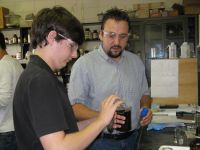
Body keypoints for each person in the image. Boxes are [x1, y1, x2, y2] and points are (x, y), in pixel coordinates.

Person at [13, 6, 123, 150]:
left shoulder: (38, 75)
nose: (75, 55)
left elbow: (65, 131)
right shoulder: (40, 81)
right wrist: (101, 121)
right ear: (52, 37)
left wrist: (100, 119)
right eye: (72, 46)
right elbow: (58, 147)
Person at [68, 7, 153, 150]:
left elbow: (145, 94)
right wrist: (103, 117)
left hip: (133, 138)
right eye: (111, 35)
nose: (117, 42)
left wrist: (145, 109)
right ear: (101, 34)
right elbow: (74, 108)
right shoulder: (84, 65)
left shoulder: (136, 62)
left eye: (123, 36)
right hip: (100, 142)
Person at [0, 32, 23, 150]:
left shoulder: (3, 65)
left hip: (5, 131)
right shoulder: (14, 63)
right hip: (15, 127)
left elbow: (3, 100)